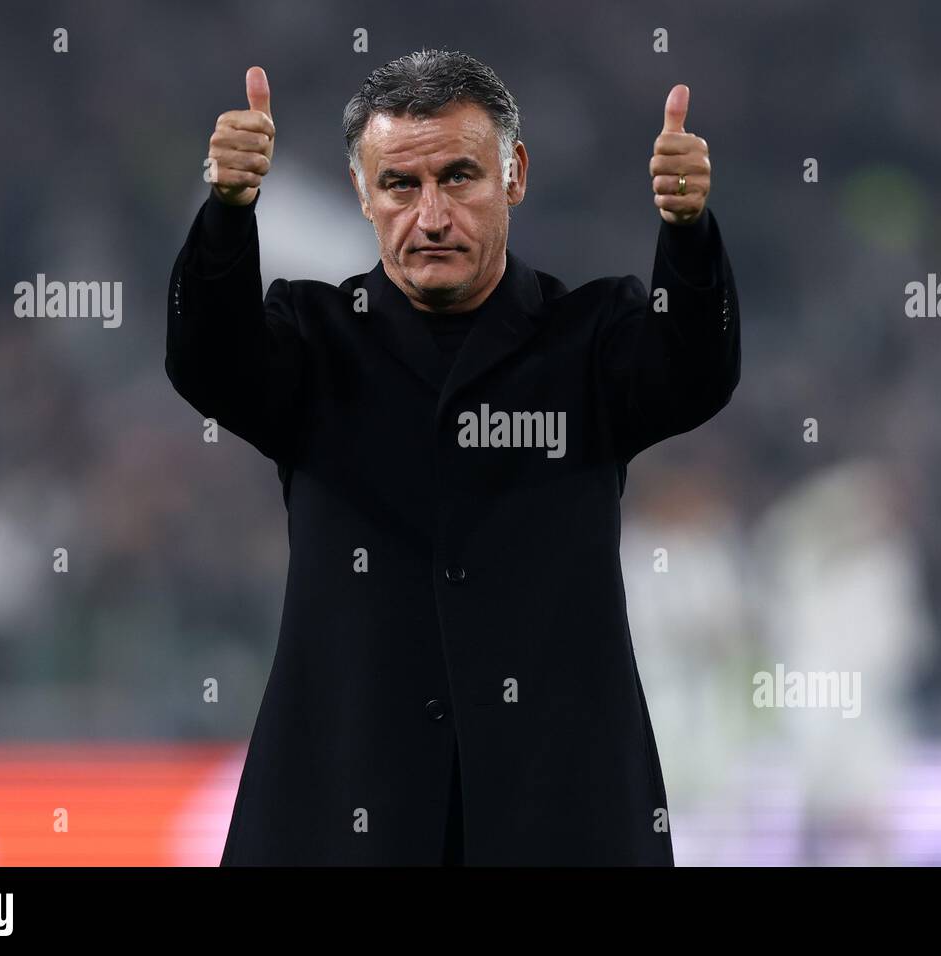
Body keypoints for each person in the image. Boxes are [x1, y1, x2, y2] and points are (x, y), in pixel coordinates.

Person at [166, 50, 741, 865]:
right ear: (363, 195)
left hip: (557, 818)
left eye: (459, 177)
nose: (431, 217)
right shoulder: (314, 339)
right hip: (344, 818)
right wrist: (227, 213)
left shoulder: (590, 336)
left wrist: (688, 235)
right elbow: (204, 361)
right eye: (400, 184)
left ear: (515, 176)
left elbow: (698, 373)